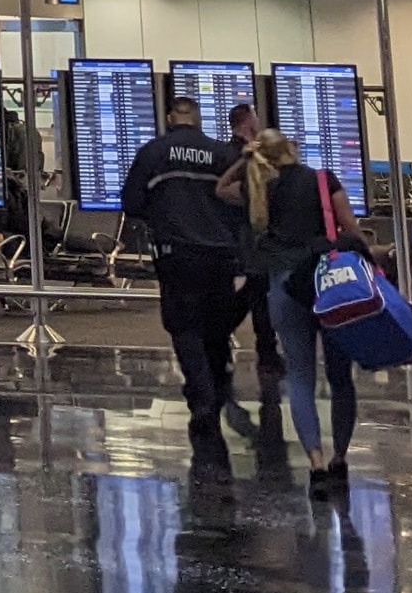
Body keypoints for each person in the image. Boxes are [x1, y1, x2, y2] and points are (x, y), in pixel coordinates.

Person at [220, 130, 363, 497]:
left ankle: (315, 463)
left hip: (285, 289)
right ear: (292, 149)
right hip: (330, 285)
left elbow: (222, 188)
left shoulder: (259, 189)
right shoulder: (322, 180)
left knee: (300, 377)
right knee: (339, 376)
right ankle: (340, 459)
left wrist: (245, 158)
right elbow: (351, 229)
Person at [121, 95, 244, 466]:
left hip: (176, 253)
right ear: (199, 118)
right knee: (216, 327)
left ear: (171, 117)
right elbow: (242, 202)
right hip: (220, 254)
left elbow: (131, 202)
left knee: (184, 327)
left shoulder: (153, 152)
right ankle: (217, 386)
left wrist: (163, 214)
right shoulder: (222, 154)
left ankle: (202, 399)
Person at [219, 102, 285, 383]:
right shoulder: (250, 159)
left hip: (235, 235)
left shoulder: (223, 154)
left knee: (254, 292)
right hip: (253, 236)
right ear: (248, 123)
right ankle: (266, 353)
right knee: (258, 295)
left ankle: (221, 334)